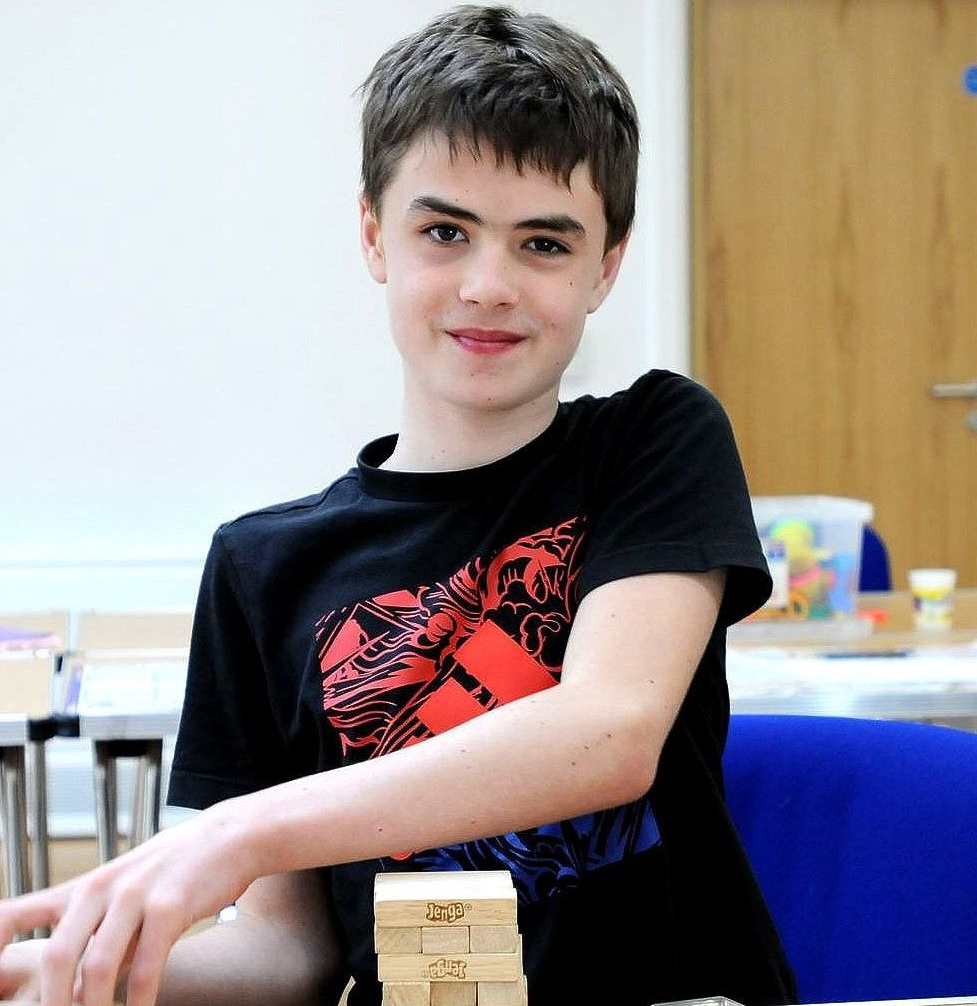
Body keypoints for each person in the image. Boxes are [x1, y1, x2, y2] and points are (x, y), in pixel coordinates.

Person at [0, 6, 797, 1006]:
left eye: (544, 242)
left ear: (608, 265)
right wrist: (90, 971)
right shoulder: (260, 565)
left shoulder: (652, 440)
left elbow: (610, 730)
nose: (488, 284)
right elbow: (288, 954)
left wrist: (237, 828)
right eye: (444, 231)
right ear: (376, 235)